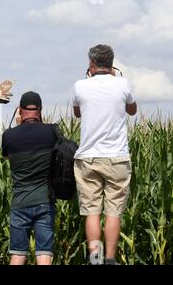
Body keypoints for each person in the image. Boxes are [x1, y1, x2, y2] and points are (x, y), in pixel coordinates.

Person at [73, 44, 137, 265]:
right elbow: (132, 109)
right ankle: (109, 259)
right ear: (112, 63)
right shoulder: (123, 84)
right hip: (117, 157)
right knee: (113, 211)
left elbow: (77, 112)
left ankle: (95, 259)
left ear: (91, 63)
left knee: (91, 211)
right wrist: (117, 78)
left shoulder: (80, 86)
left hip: (88, 157)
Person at [2, 91, 57, 265]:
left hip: (20, 203)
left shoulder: (9, 135)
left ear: (19, 111)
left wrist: (19, 127)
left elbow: (7, 158)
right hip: (44, 201)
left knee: (18, 255)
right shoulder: (51, 131)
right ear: (40, 110)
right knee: (44, 255)